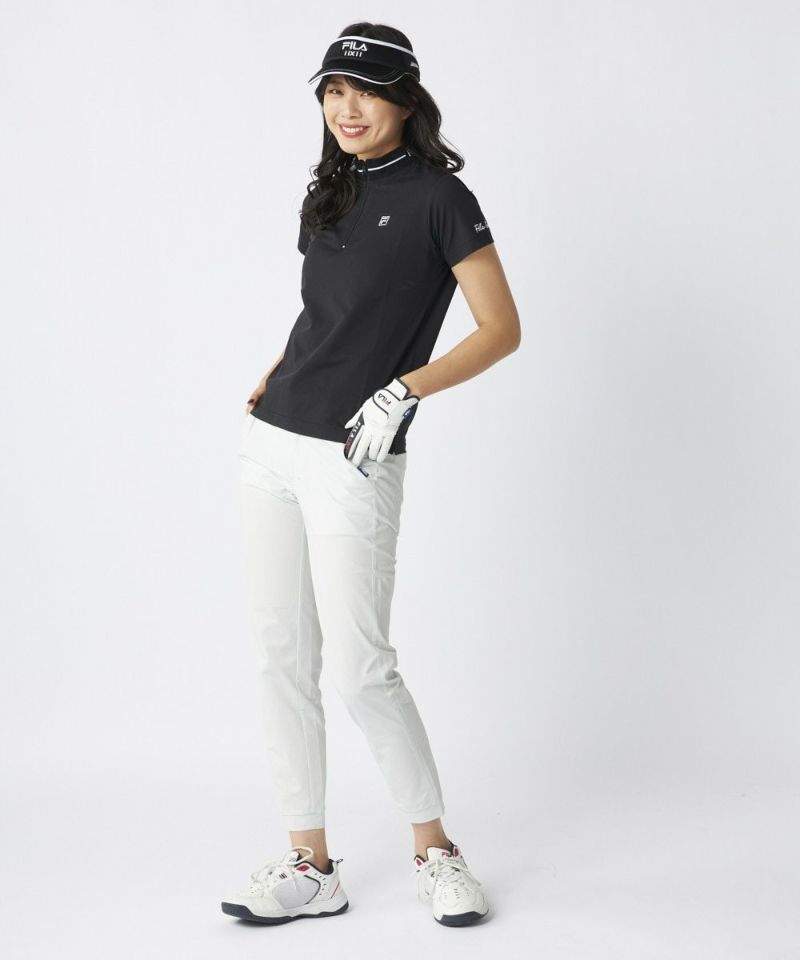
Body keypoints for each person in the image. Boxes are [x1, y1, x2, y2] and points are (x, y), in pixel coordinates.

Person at [220, 22, 520, 928]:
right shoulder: (330, 188)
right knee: (281, 657)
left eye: (365, 91)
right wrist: (281, 366)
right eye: (332, 91)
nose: (345, 108)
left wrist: (404, 388)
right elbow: (327, 313)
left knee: (361, 670)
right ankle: (312, 867)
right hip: (274, 441)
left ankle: (436, 849)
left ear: (405, 100)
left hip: (355, 451)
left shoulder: (441, 198)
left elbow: (501, 329)